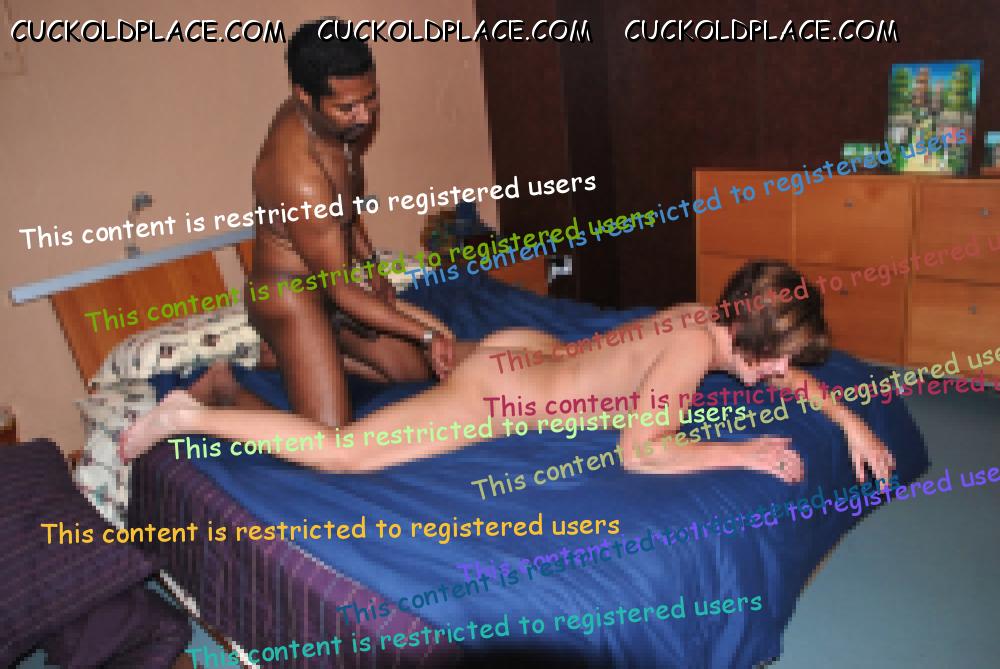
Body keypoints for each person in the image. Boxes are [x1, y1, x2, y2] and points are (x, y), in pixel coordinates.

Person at [121, 261, 895, 484]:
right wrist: (740, 451)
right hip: (503, 391)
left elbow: (787, 376)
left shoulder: (709, 318)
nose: (784, 373)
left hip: (528, 350)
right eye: (780, 357)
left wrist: (847, 418)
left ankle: (384, 338)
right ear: (750, 332)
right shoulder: (695, 348)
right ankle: (189, 413)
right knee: (343, 451)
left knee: (420, 367)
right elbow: (642, 451)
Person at [249, 18, 455, 428]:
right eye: (348, 108)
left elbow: (344, 211)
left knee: (416, 374)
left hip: (333, 283)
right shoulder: (299, 175)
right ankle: (224, 390)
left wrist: (373, 266)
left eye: (371, 98)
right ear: (304, 96)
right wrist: (426, 335)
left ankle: (304, 353)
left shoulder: (335, 122)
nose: (364, 116)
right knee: (329, 437)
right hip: (293, 294)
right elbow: (341, 290)